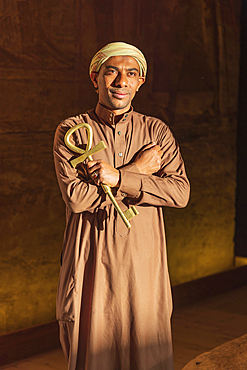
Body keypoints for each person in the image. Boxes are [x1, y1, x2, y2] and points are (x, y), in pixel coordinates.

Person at [53, 42, 190, 370]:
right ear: (94, 77)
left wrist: (116, 178)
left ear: (140, 81)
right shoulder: (73, 132)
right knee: (93, 343)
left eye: (131, 73)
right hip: (91, 258)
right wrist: (136, 173)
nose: (120, 81)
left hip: (142, 261)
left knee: (146, 346)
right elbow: (76, 198)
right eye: (111, 71)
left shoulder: (156, 132)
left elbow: (180, 193)